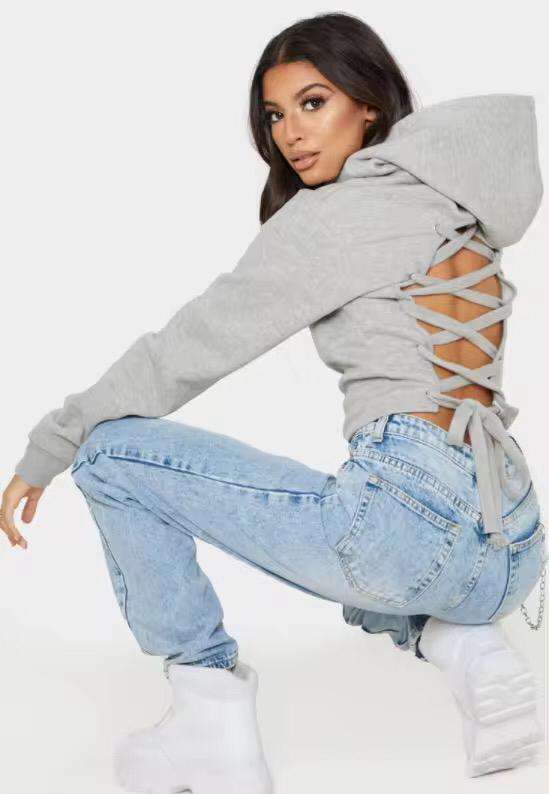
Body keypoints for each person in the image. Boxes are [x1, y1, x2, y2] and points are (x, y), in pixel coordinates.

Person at [2, 11, 546, 791]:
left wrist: (51, 445)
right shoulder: (454, 200)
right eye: (273, 115)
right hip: (513, 543)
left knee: (109, 455)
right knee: (351, 538)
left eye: (312, 103)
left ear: (368, 104)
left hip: (407, 524)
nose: (289, 133)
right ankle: (460, 642)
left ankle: (206, 704)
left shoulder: (338, 216)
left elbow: (186, 349)